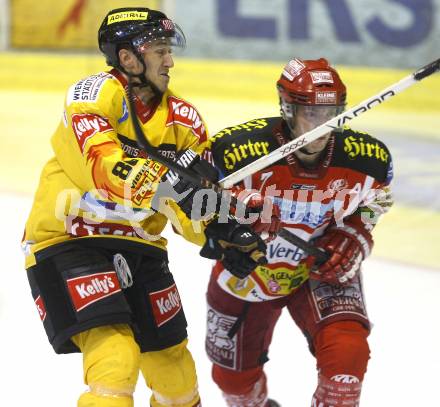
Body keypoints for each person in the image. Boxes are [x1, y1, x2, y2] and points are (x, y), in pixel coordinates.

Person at [22, 7, 267, 407]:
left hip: (141, 248)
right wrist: (170, 184)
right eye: (158, 49)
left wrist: (220, 227)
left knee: (177, 377)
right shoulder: (93, 94)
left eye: (169, 50)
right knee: (115, 361)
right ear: (127, 57)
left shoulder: (185, 121)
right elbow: (102, 167)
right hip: (69, 239)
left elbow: (188, 213)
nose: (169, 60)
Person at [205, 58, 394, 406]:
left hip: (321, 268)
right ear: (287, 108)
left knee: (347, 359)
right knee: (233, 382)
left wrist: (353, 236)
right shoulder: (235, 153)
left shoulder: (369, 159)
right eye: (312, 114)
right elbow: (192, 207)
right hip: (248, 271)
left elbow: (375, 204)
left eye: (332, 114)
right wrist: (233, 219)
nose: (323, 126)